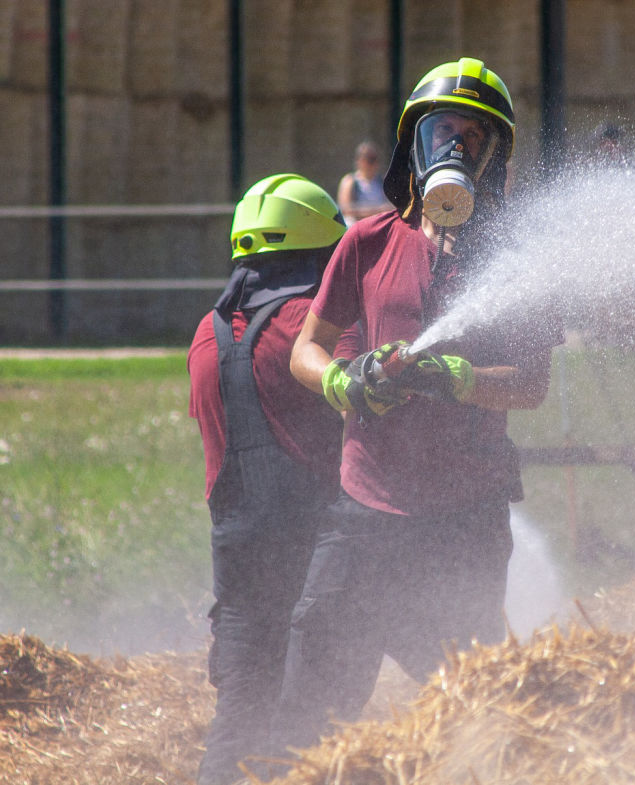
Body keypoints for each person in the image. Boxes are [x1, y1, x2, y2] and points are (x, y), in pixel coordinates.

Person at [272, 57, 563, 756]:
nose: (457, 149)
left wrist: (457, 376)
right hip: (364, 509)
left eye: (475, 136)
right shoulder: (366, 242)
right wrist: (345, 380)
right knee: (312, 695)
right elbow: (305, 348)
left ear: (496, 155)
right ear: (413, 146)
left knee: (470, 707)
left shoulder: (518, 260)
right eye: (443, 132)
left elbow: (530, 383)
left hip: (464, 520)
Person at [187, 173, 351, 785]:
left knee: (238, 719)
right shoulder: (311, 324)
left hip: (237, 559)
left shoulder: (205, 335)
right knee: (307, 725)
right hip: (314, 554)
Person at [336, 140, 391, 225]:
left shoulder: (383, 181)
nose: (373, 163)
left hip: (379, 223)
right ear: (359, 160)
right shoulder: (350, 181)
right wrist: (376, 211)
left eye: (374, 159)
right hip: (357, 225)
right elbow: (346, 209)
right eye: (369, 159)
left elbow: (390, 207)